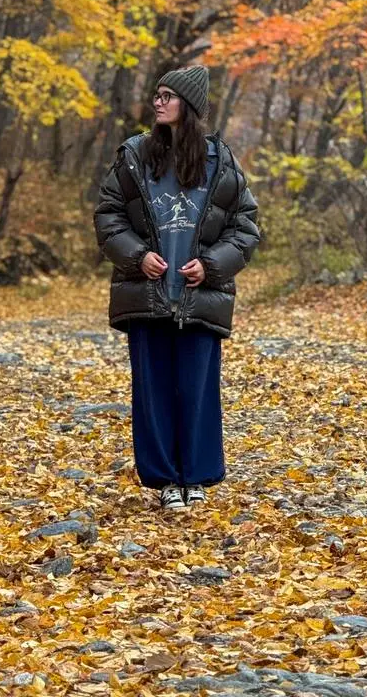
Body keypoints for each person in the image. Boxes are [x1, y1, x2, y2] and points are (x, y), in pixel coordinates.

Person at [94, 66, 260, 511]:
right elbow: (108, 216)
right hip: (147, 297)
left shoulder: (220, 162)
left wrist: (211, 266)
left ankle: (197, 478)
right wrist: (135, 256)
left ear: (189, 106)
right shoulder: (134, 156)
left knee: (197, 389)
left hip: (199, 298)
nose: (158, 102)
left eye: (168, 96)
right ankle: (167, 480)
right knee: (153, 391)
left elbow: (246, 227)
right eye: (157, 95)